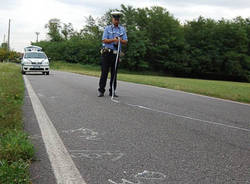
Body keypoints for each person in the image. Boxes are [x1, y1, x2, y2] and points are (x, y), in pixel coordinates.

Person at [98, 11, 128, 97]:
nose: (116, 21)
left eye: (118, 19)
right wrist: (114, 40)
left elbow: (125, 41)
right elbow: (104, 40)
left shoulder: (122, 29)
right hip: (107, 53)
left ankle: (112, 91)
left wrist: (119, 40)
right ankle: (101, 91)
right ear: (112, 19)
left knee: (114, 73)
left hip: (116, 54)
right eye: (115, 19)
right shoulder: (107, 28)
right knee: (104, 72)